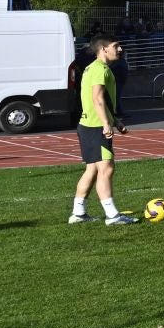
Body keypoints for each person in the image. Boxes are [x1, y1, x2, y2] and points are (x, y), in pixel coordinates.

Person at [69, 31, 137, 226]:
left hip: (89, 125)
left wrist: (115, 120)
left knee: (92, 169)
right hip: (95, 126)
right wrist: (106, 124)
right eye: (116, 46)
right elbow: (97, 98)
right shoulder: (100, 69)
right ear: (104, 49)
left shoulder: (94, 68)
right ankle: (112, 215)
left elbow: (104, 100)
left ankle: (78, 213)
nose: (120, 49)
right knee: (106, 168)